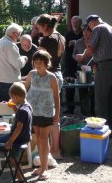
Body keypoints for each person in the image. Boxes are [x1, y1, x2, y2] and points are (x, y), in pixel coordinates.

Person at [76, 15, 112, 135]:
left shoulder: (98, 28)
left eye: (89, 26)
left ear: (93, 22)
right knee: (110, 99)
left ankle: (101, 131)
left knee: (101, 100)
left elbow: (90, 48)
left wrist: (82, 56)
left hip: (105, 67)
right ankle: (111, 130)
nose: (90, 29)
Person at [25, 50, 60, 181]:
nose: (38, 64)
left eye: (41, 62)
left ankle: (45, 169)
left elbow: (56, 97)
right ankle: (41, 166)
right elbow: (24, 89)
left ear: (47, 63)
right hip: (33, 111)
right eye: (36, 62)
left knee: (44, 138)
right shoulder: (31, 74)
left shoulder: (52, 77)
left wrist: (57, 114)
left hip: (46, 111)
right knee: (38, 138)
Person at [36, 14, 65, 159]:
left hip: (49, 76)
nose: (38, 28)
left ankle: (53, 150)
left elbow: (39, 60)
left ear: (45, 26)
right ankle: (55, 150)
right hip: (59, 74)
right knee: (54, 113)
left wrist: (40, 46)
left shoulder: (47, 40)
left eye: (39, 26)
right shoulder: (60, 36)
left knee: (49, 114)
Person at [0, 82, 32, 182]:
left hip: (18, 138)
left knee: (13, 160)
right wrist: (14, 107)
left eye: (12, 98)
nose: (12, 100)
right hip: (24, 136)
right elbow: (21, 118)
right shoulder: (27, 106)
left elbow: (19, 127)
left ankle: (20, 178)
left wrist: (10, 141)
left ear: (16, 96)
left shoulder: (23, 110)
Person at [0, 23, 27, 102]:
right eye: (19, 34)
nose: (19, 37)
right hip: (8, 80)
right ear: (14, 34)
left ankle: (2, 114)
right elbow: (18, 64)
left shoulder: (0, 42)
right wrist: (24, 58)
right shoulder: (10, 44)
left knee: (3, 103)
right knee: (10, 105)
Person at [63, 16, 83, 114]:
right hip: (69, 64)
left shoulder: (84, 34)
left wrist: (78, 43)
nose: (74, 24)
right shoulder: (68, 34)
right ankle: (70, 108)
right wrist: (68, 45)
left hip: (82, 64)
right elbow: (63, 49)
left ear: (80, 23)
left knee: (83, 86)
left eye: (76, 22)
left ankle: (84, 108)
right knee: (69, 86)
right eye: (73, 22)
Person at [73, 24, 94, 116]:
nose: (85, 33)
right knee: (82, 91)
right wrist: (76, 58)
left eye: (87, 31)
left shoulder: (95, 42)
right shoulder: (78, 42)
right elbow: (73, 54)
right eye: (83, 31)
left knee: (94, 91)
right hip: (81, 68)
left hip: (94, 68)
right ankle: (83, 112)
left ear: (92, 32)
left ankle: (93, 111)